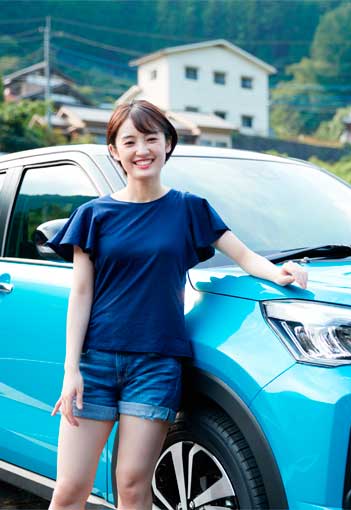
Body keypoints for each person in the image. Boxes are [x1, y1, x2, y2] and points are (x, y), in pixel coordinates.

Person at [46, 99, 308, 510]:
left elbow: (244, 256)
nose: (142, 150)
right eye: (129, 141)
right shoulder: (93, 215)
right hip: (95, 363)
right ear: (114, 150)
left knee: (133, 485)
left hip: (155, 365)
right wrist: (71, 370)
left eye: (151, 138)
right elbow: (81, 294)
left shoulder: (188, 209)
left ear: (168, 143)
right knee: (70, 490)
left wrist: (281, 273)